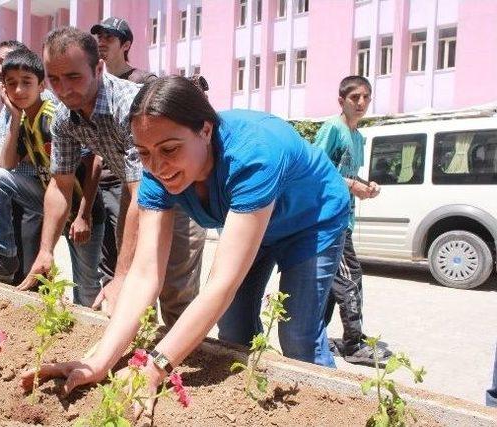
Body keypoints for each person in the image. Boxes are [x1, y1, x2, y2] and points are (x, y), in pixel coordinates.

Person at [19, 76, 350, 400]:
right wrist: (98, 361)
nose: (159, 166)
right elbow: (146, 273)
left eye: (170, 149)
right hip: (254, 221)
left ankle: (338, 409)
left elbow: (222, 283)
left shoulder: (253, 154)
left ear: (205, 130)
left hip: (312, 220)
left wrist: (157, 365)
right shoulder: (155, 173)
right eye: (144, 153)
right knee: (234, 332)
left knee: (298, 338)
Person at [18, 27, 205, 328]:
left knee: (174, 291)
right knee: (134, 292)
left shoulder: (131, 106)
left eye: (74, 77)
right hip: (137, 195)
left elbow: (141, 187)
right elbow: (60, 184)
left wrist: (121, 277)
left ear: (98, 68)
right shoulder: (65, 117)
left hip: (179, 195)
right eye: (54, 80)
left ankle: (176, 362)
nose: (64, 90)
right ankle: (140, 353)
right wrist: (45, 250)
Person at [0, 48, 105, 306]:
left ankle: (92, 335)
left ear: (41, 85)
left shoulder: (54, 117)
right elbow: (7, 164)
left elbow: (94, 160)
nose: (18, 91)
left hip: (84, 210)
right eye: (11, 84)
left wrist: (84, 215)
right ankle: (4, 257)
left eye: (26, 83)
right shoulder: (27, 121)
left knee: (86, 284)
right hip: (52, 202)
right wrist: (15, 118)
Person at [315, 75, 391, 365]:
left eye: (366, 97)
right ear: (341, 101)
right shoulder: (332, 128)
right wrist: (351, 185)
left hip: (344, 218)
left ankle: (316, 337)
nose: (361, 103)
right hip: (327, 219)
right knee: (350, 278)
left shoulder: (358, 136)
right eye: (354, 97)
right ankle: (354, 344)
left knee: (332, 285)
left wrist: (365, 185)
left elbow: (346, 173)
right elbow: (317, 169)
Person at [0, 40, 57, 283]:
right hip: (16, 190)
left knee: (34, 263)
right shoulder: (8, 108)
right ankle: (5, 266)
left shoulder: (39, 101)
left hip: (41, 186)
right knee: (16, 265)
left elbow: (26, 152)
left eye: (3, 61)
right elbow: (3, 154)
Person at [90, 17, 160, 290]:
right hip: (105, 181)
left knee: (135, 256)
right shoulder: (96, 84)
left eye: (109, 37)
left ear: (126, 44)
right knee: (110, 259)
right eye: (99, 36)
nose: (102, 42)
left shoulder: (143, 81)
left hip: (134, 182)